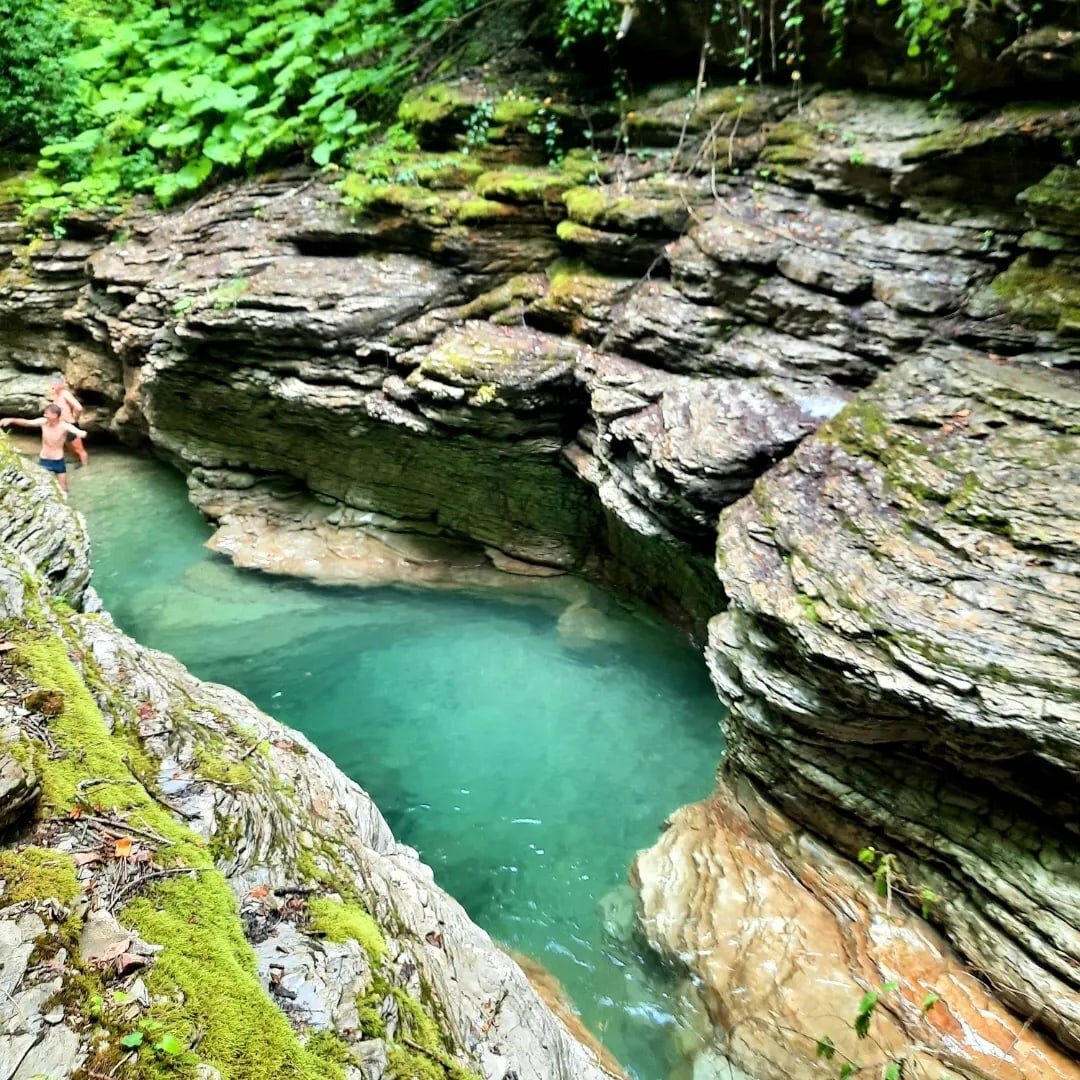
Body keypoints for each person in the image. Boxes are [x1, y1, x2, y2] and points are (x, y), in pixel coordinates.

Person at [1, 405, 88, 491]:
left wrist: (81, 433)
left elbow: (76, 430)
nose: (45, 415)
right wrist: (11, 420)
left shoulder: (64, 426)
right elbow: (26, 422)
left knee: (64, 488)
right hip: (44, 460)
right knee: (41, 486)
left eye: (47, 414)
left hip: (58, 461)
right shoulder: (43, 422)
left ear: (55, 415)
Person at [49, 374, 89, 467]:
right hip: (61, 426)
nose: (53, 386)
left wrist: (75, 418)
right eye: (52, 384)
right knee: (71, 450)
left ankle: (86, 468)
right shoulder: (56, 397)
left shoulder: (64, 394)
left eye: (55, 384)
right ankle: (77, 463)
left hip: (69, 424)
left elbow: (78, 407)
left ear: (61, 385)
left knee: (79, 450)